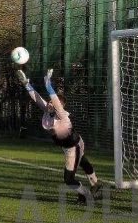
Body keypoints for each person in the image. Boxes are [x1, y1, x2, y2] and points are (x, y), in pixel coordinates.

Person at [17, 68, 101, 203]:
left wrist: (48, 85)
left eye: (54, 102)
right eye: (50, 102)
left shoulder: (61, 114)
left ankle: (86, 195)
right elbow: (37, 98)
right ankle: (95, 185)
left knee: (68, 179)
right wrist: (26, 84)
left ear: (60, 106)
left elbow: (55, 100)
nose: (50, 103)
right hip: (69, 146)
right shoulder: (47, 110)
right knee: (82, 161)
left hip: (73, 146)